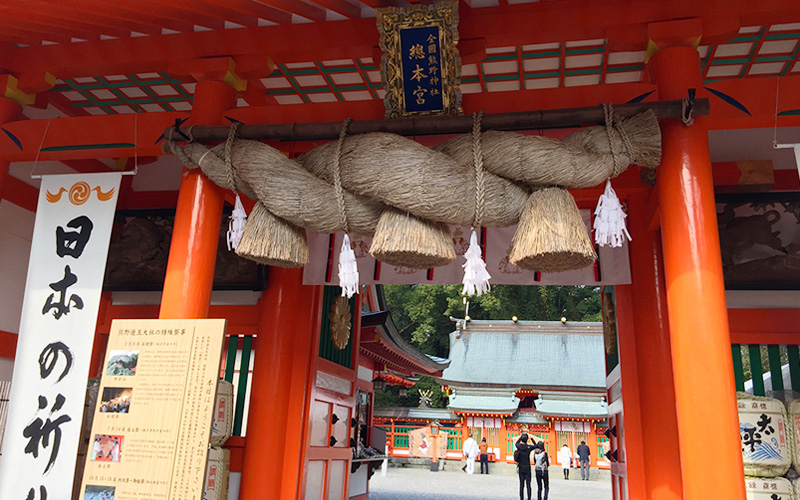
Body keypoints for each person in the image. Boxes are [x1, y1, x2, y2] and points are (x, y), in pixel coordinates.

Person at [515, 433, 536, 500]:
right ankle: (529, 497)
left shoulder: (519, 446)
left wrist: (520, 438)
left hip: (521, 466)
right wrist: (531, 438)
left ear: (521, 440)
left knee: (521, 484)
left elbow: (516, 443)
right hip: (527, 466)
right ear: (527, 440)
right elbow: (535, 446)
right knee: (528, 484)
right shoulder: (528, 447)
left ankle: (521, 497)